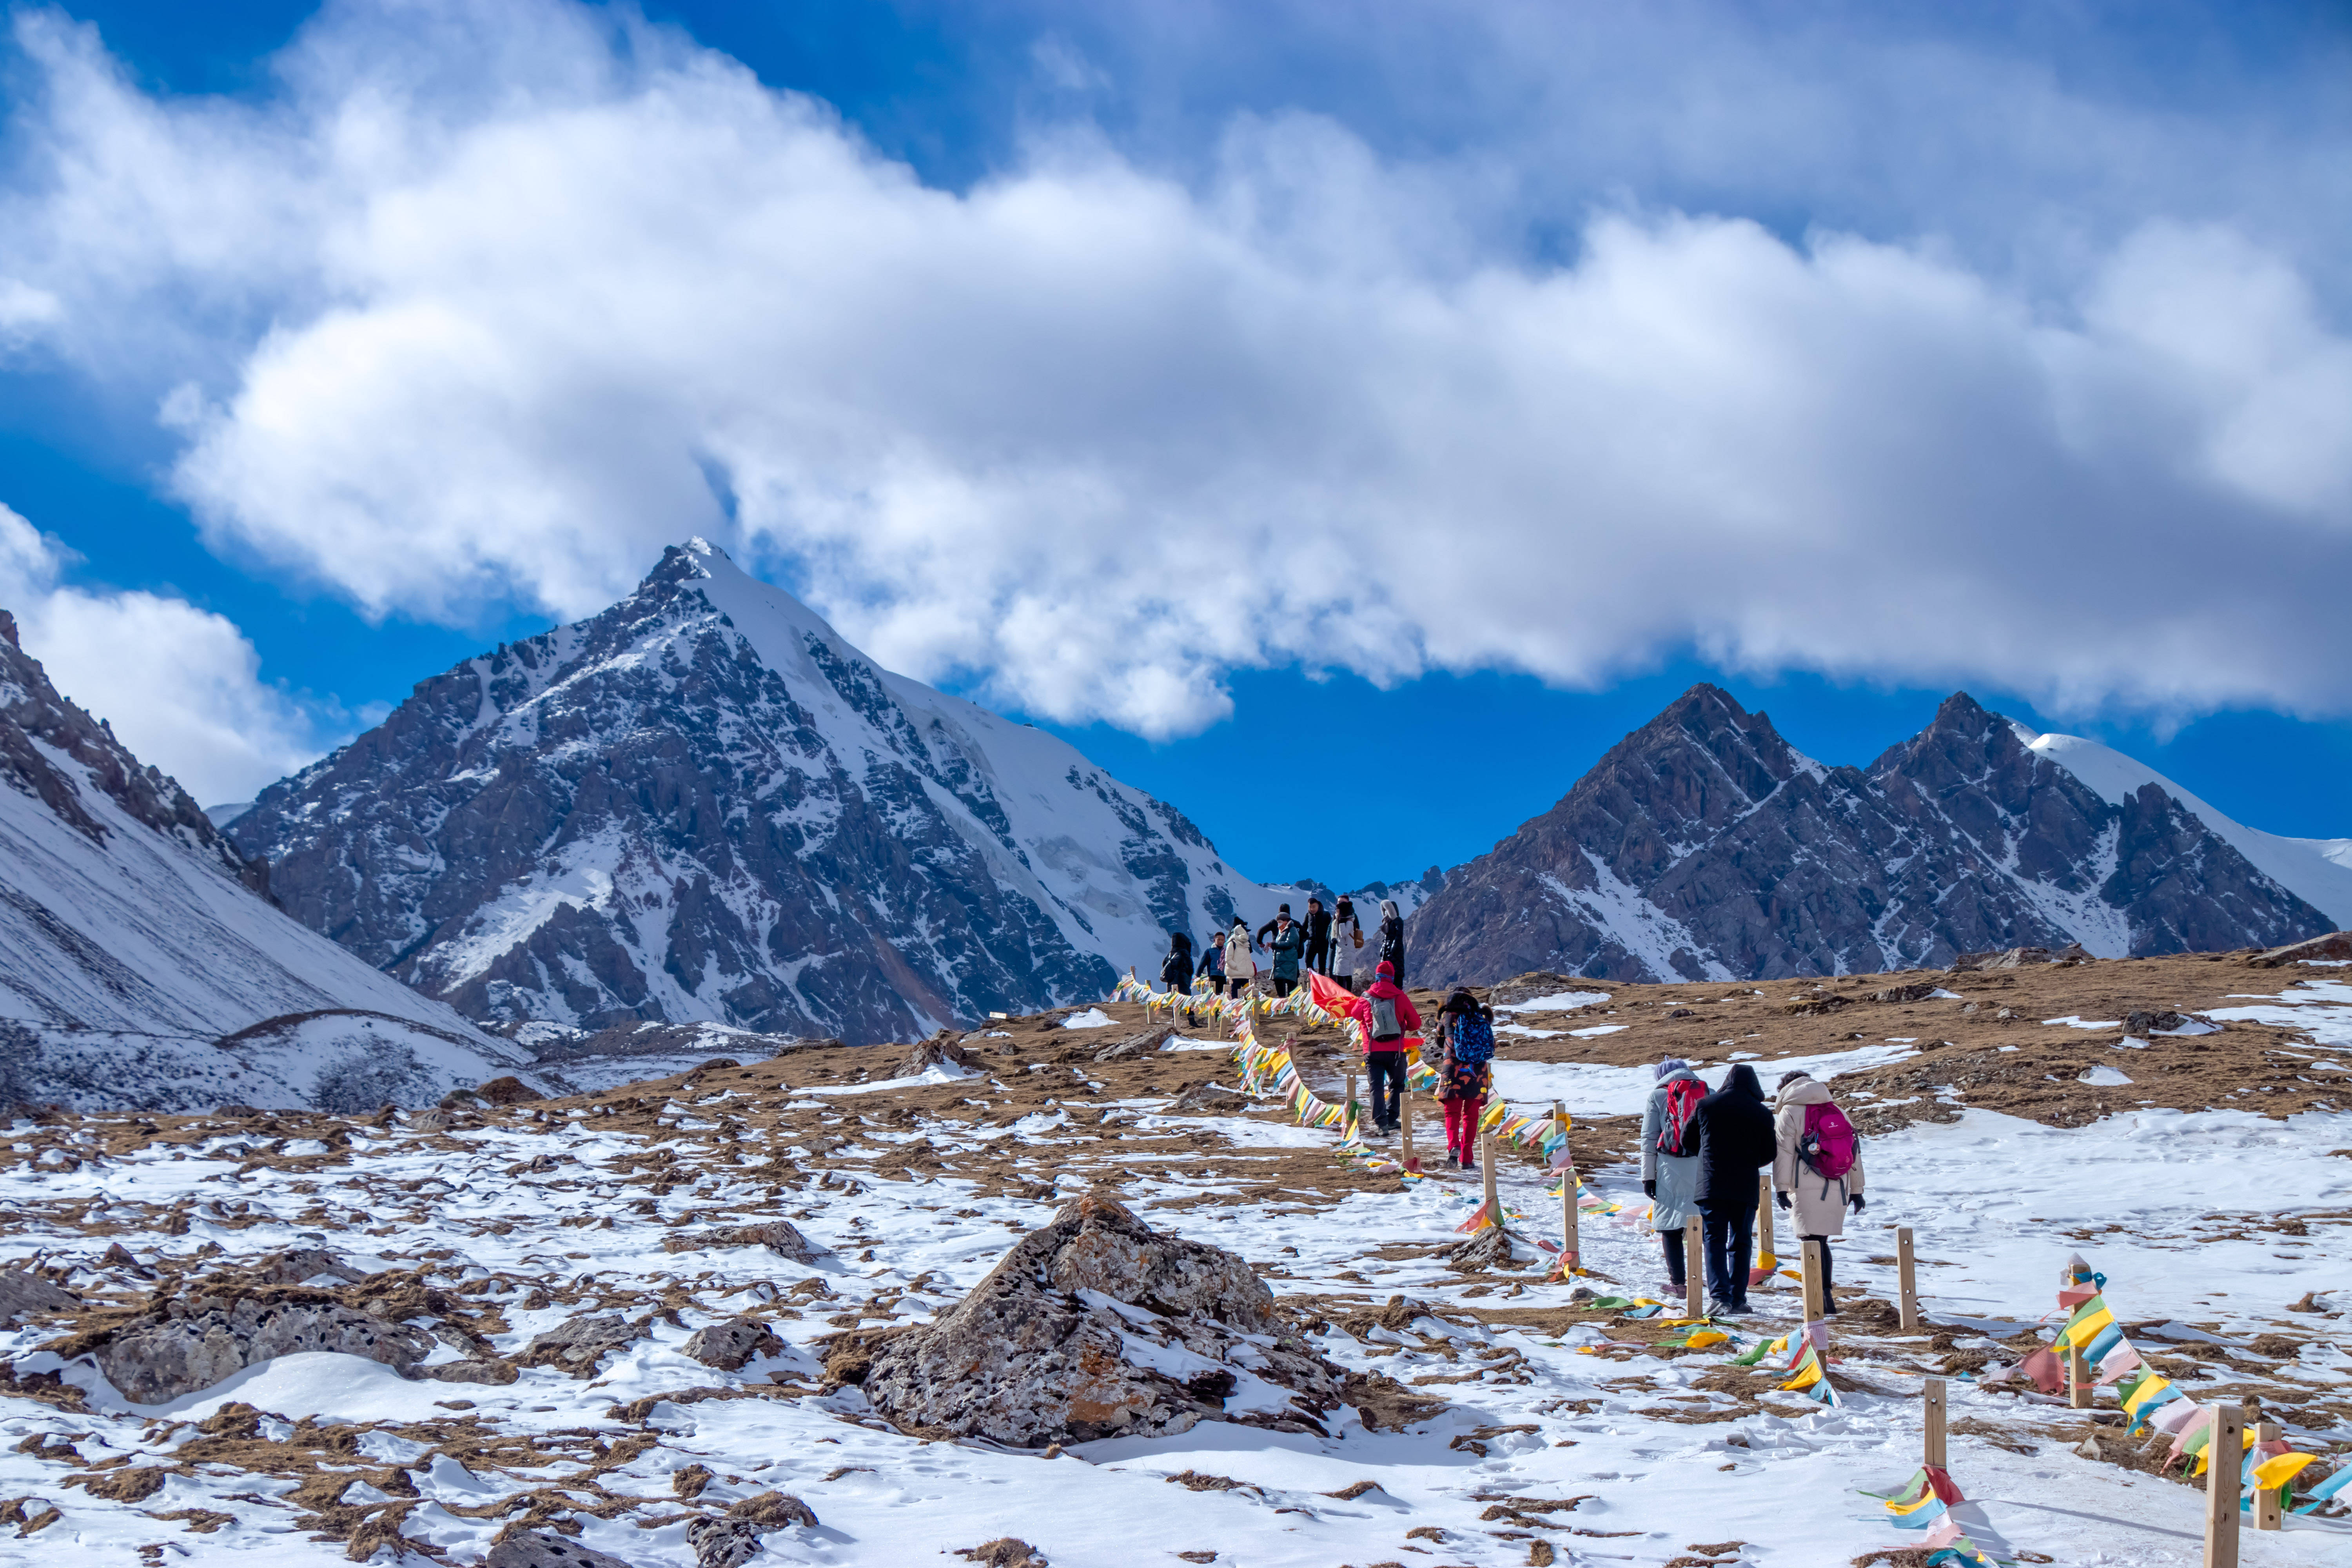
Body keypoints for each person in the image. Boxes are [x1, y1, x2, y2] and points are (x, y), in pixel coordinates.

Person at [1773, 1070, 1866, 1316]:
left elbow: (1784, 1153)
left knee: (1809, 1241)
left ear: (1786, 1088)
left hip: (1805, 1184)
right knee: (1821, 1241)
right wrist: (1857, 1190)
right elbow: (1853, 1152)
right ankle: (1826, 1297)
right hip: (1838, 1183)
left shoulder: (1789, 1112)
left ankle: (1817, 1298)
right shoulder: (1836, 1110)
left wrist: (1781, 1188)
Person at [1690, 1063, 1775, 1317]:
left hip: (1711, 1184)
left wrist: (1707, 1156)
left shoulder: (1706, 1105)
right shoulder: (1762, 1113)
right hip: (1745, 1185)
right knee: (1741, 1240)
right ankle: (1738, 1298)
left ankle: (1720, 1297)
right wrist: (1750, 1162)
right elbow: (1770, 1152)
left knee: (1714, 1239)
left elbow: (1688, 1140)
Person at [1640, 1058, 1705, 1297]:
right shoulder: (1708, 1091)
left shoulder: (1657, 1096)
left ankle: (1679, 1284)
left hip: (1670, 1167)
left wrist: (1648, 1177)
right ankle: (1707, 1278)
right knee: (1704, 1223)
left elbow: (1649, 1139)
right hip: (1703, 1166)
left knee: (1671, 1227)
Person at [1348, 960, 1423, 1136]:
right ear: (1392, 978)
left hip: (1372, 1050)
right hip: (1395, 1051)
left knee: (1375, 1086)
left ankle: (1381, 1124)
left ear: (1377, 977)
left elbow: (1355, 1014)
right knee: (1397, 1085)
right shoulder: (1400, 997)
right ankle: (1392, 1119)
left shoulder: (1366, 996)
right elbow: (1416, 1023)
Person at [1435, 986, 1495, 1168]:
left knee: (1452, 1113)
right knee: (1471, 1116)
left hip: (1452, 1070)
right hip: (1478, 1072)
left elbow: (1439, 1043)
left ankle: (1454, 1145)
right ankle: (1467, 1158)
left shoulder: (1447, 1017)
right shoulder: (1480, 1017)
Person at [1260, 907, 1304, 997]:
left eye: (1280, 922)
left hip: (1289, 963)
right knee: (1280, 988)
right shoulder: (1281, 932)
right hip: (1280, 965)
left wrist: (1274, 945)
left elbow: (1290, 943)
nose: (1279, 924)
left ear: (1286, 921)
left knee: (1291, 989)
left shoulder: (1293, 930)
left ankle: (1290, 1007)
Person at [1331, 895, 1363, 991]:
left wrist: (1341, 923)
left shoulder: (1349, 922)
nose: (1337, 912)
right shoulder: (1342, 920)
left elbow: (1343, 934)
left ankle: (1347, 994)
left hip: (1346, 952)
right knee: (1340, 975)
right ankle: (1342, 994)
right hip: (1342, 951)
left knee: (1347, 976)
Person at [1223, 919, 1257, 998]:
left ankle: (1245, 1009)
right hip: (1235, 974)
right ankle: (1235, 1009)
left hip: (1245, 974)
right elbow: (1228, 959)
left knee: (1248, 992)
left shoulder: (1246, 944)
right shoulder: (1232, 943)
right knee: (1235, 993)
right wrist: (1237, 967)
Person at [1376, 898, 1406, 986]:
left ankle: (1397, 990)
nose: (1386, 913)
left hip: (1396, 952)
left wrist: (1393, 948)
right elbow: (1386, 938)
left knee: (1397, 971)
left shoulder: (1398, 921)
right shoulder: (1387, 922)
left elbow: (1399, 937)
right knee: (1387, 971)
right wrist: (1383, 950)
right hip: (1387, 951)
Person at [1302, 896, 1335, 977]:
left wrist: (1330, 940)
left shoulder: (1326, 915)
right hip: (1311, 943)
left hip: (1323, 943)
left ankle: (1321, 980)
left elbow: (1331, 928)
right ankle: (1313, 979)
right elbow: (1304, 928)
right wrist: (1303, 938)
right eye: (1310, 907)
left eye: (1314, 907)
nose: (1312, 909)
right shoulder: (1308, 916)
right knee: (1308, 961)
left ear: (1318, 906)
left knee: (1322, 964)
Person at [1159, 931, 1194, 995]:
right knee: (1184, 1001)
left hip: (1171, 982)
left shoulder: (1170, 954)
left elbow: (1164, 964)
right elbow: (1190, 968)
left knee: (1173, 999)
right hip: (1183, 982)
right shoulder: (1184, 953)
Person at [1198, 928, 1225, 995]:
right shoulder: (1210, 951)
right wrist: (1198, 974)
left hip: (1224, 976)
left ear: (1225, 941)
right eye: (1219, 940)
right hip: (1213, 975)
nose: (1220, 942)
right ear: (1214, 940)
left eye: (1222, 940)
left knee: (1223, 995)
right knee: (1214, 994)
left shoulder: (1227, 951)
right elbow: (1203, 963)